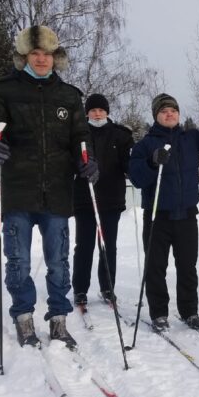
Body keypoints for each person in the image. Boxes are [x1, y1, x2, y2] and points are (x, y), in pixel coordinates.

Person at [0, 25, 97, 350]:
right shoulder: (5, 91)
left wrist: (87, 161)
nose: (42, 59)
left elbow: (80, 139)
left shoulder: (69, 96)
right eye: (35, 53)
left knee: (59, 261)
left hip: (57, 193)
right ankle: (24, 318)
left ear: (54, 57)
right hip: (18, 191)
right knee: (17, 260)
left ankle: (59, 321)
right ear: (25, 57)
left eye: (47, 53)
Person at [128, 84, 199, 332]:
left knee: (187, 266)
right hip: (157, 216)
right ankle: (159, 313)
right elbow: (137, 177)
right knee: (156, 267)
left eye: (173, 110)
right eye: (164, 111)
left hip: (186, 216)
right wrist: (152, 162)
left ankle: (189, 311)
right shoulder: (145, 145)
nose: (169, 114)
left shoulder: (190, 139)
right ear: (156, 116)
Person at [72, 94, 134, 308]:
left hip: (111, 199)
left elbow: (129, 164)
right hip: (84, 199)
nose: (97, 113)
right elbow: (70, 162)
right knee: (84, 246)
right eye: (93, 110)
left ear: (107, 111)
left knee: (108, 246)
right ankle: (80, 289)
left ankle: (107, 287)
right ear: (87, 112)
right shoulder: (78, 134)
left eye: (101, 109)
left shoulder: (120, 135)